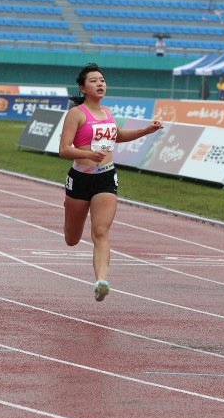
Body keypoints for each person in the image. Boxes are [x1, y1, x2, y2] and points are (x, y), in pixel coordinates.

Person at [59, 63, 163, 302]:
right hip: (80, 179)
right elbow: (64, 150)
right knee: (71, 239)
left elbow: (118, 136)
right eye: (94, 81)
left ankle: (101, 281)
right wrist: (86, 155)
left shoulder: (107, 112)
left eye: (102, 80)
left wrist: (147, 130)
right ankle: (69, 210)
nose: (100, 84)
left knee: (101, 231)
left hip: (106, 176)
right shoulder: (76, 114)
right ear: (83, 87)